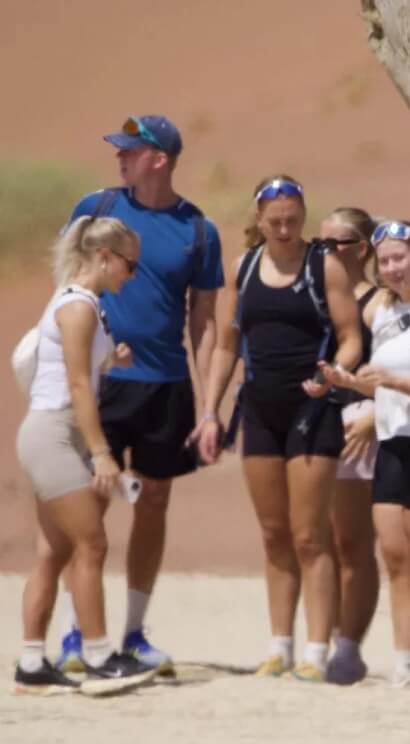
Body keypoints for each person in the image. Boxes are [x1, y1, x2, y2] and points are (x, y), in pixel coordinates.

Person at [56, 115, 224, 676]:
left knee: (153, 503)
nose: (119, 158)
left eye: (129, 150)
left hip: (166, 386)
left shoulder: (198, 229)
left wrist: (208, 406)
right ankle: (80, 631)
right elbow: (64, 287)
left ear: (159, 158)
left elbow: (203, 322)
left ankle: (132, 631)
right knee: (88, 508)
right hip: (101, 385)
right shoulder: (95, 209)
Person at [195, 176, 362, 682]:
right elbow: (226, 345)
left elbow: (351, 338)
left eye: (293, 220)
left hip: (312, 407)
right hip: (260, 408)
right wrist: (210, 411)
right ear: (259, 219)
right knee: (274, 533)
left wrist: (330, 373)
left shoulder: (323, 266)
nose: (286, 230)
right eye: (276, 222)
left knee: (311, 534)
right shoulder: (242, 268)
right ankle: (279, 646)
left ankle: (316, 650)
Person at [15, 217, 156, 694]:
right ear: (105, 257)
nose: (131, 275)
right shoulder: (78, 308)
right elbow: (76, 387)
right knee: (91, 543)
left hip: (55, 434)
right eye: (130, 265)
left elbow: (75, 369)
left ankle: (31, 665)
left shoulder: (84, 306)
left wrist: (109, 360)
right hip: (54, 435)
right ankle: (98, 656)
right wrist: (101, 455)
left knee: (53, 552)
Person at [321, 220, 410, 687]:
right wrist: (348, 383)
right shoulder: (382, 312)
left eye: (401, 257)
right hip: (392, 441)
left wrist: (397, 383)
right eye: (385, 261)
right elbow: (380, 380)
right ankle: (404, 660)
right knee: (396, 555)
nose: (393, 268)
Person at [318, 208, 382, 685]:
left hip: (359, 423)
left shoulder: (382, 302)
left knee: (353, 542)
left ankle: (348, 644)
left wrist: (378, 416)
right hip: (316, 423)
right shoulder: (315, 294)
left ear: (362, 248)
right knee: (314, 540)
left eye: (335, 243)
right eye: (319, 244)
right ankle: (318, 640)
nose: (325, 253)